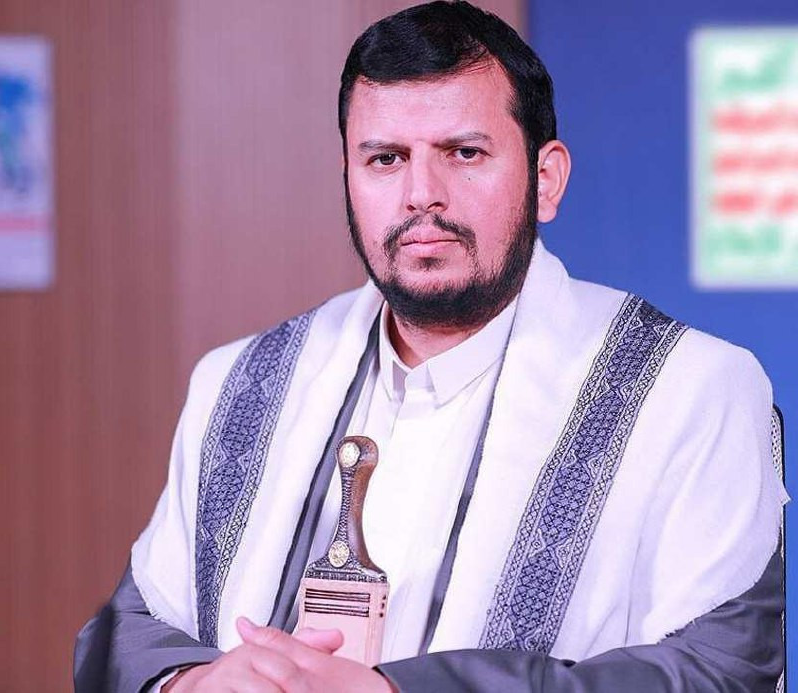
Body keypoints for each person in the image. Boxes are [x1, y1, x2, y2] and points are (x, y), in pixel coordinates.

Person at [74, 2, 788, 691]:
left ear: (545, 180)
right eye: (385, 159)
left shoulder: (690, 389)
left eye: (464, 153)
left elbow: (718, 672)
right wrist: (195, 680)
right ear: (348, 179)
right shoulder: (241, 380)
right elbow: (129, 633)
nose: (422, 194)